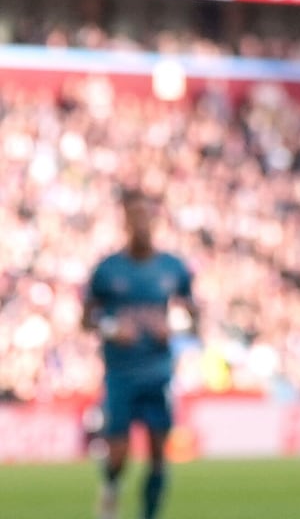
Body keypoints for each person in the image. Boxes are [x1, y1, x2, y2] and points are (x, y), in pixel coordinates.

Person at [82, 189, 197, 519]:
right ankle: (110, 490)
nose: (140, 222)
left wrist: (174, 326)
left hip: (159, 371)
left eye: (145, 215)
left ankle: (149, 514)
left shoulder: (173, 268)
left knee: (159, 452)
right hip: (121, 373)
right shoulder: (107, 270)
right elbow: (87, 318)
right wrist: (111, 328)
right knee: (118, 453)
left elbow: (192, 316)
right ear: (125, 221)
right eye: (134, 215)